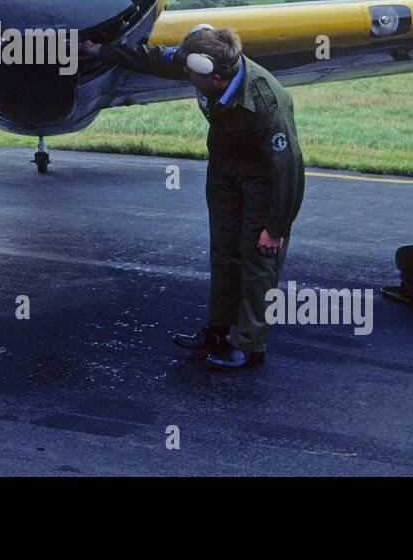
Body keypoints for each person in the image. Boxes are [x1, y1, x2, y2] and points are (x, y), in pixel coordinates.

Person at [82, 26, 304, 370]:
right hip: (224, 172)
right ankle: (218, 331)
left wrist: (276, 227)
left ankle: (250, 345)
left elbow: (289, 169)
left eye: (189, 72)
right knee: (224, 252)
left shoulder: (267, 101)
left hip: (263, 180)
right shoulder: (201, 62)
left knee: (258, 260)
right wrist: (104, 51)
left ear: (213, 77)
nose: (182, 73)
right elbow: (156, 59)